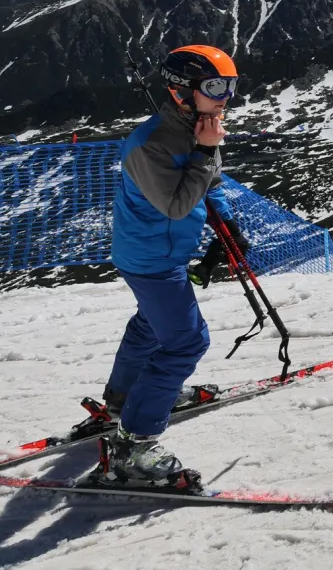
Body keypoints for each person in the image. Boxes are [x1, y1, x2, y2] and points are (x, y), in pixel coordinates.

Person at [101, 45, 247, 486]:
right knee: (185, 342)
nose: (226, 97)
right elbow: (179, 203)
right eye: (216, 86)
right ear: (184, 89)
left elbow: (209, 182)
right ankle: (135, 444)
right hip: (151, 259)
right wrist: (205, 151)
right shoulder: (150, 146)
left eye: (232, 86)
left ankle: (124, 399)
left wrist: (228, 223)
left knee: (152, 324)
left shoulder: (198, 126)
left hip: (161, 253)